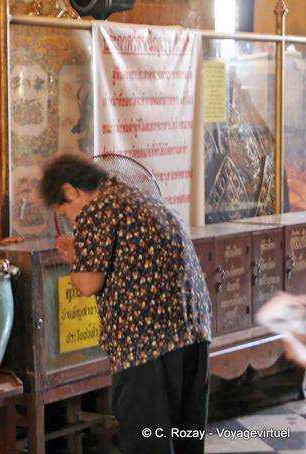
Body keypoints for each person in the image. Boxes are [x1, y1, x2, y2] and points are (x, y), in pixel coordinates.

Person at [40, 153, 212, 454]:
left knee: (147, 443)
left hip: (146, 345)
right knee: (186, 439)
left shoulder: (98, 207)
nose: (72, 221)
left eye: (66, 213)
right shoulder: (142, 197)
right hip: (193, 334)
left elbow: (87, 283)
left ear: (70, 190)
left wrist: (74, 260)